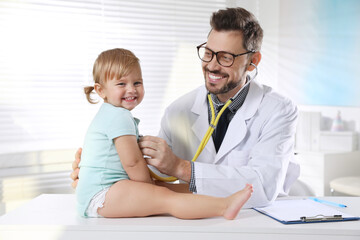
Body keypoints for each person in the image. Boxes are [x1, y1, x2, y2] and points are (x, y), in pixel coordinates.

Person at [72, 7, 299, 208]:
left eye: (226, 58)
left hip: (256, 222)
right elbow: (155, 177)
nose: (212, 65)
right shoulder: (178, 110)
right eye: (208, 53)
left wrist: (182, 168)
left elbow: (263, 187)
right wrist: (100, 168)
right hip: (198, 223)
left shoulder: (278, 110)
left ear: (253, 61)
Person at [76, 48, 253, 219]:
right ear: (100, 90)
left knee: (180, 189)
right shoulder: (119, 116)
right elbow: (132, 162)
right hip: (102, 194)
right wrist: (149, 189)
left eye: (137, 82)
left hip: (108, 190)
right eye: (122, 83)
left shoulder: (113, 114)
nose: (131, 89)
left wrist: (153, 187)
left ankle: (224, 196)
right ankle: (224, 207)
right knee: (166, 197)